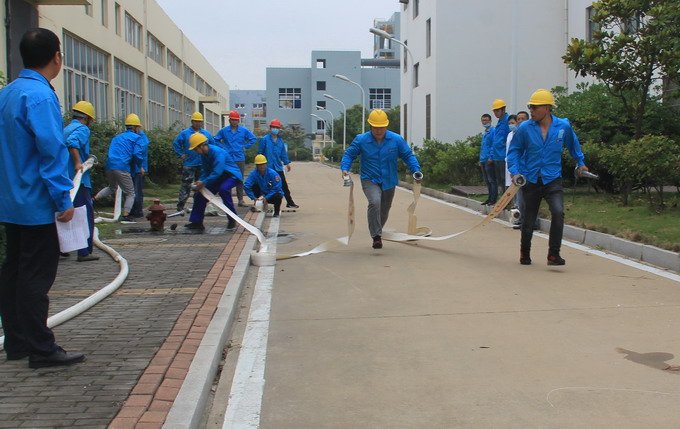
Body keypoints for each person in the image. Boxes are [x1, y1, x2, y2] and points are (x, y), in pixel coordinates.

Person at [0, 28, 85, 368]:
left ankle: (17, 343)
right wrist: (63, 200)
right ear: (57, 57)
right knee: (35, 277)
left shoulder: (7, 93)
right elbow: (51, 152)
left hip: (10, 202)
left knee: (13, 272)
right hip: (36, 204)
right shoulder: (40, 96)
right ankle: (42, 349)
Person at [507, 89, 589, 266]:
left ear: (547, 107)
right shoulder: (525, 128)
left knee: (558, 212)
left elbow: (573, 144)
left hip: (553, 179)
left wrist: (580, 162)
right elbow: (514, 151)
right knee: (529, 219)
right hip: (531, 179)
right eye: (530, 107)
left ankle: (553, 254)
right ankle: (525, 252)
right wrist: (515, 171)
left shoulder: (562, 126)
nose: (531, 110)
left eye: (535, 107)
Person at [341, 109, 422, 249]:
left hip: (389, 180)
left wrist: (416, 170)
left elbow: (408, 155)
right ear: (370, 126)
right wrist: (345, 168)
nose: (379, 131)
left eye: (382, 127)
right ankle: (376, 236)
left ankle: (377, 229)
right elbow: (349, 154)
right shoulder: (361, 140)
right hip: (369, 179)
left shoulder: (396, 139)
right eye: (375, 127)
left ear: (386, 126)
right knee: (374, 202)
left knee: (384, 209)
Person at [184, 133, 242, 231]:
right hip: (217, 177)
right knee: (199, 195)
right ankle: (197, 222)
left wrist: (203, 182)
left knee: (223, 190)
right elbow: (205, 171)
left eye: (195, 149)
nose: (195, 151)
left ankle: (232, 218)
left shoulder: (218, 152)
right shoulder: (203, 155)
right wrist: (200, 181)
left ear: (202, 146)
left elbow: (217, 171)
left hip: (231, 175)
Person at [64, 101, 98, 261]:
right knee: (84, 215)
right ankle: (84, 252)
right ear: (87, 118)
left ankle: (63, 248)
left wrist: (88, 160)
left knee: (64, 213)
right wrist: (78, 163)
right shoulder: (83, 129)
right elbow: (73, 144)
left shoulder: (66, 129)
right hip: (79, 181)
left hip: (64, 178)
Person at [94, 113, 144, 222]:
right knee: (130, 193)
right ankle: (125, 216)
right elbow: (137, 154)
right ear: (135, 128)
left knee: (112, 187)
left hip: (110, 165)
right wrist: (140, 166)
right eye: (138, 127)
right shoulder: (137, 138)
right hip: (122, 167)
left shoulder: (116, 138)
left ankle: (93, 200)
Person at [173, 112, 215, 213]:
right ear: (192, 122)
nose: (197, 123)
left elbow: (213, 145)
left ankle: (199, 204)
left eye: (199, 121)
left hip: (202, 164)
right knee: (186, 185)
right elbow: (176, 143)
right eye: (195, 121)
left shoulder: (206, 134)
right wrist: (180, 154)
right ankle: (181, 204)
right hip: (189, 163)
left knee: (201, 185)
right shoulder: (185, 133)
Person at [214, 110, 257, 207]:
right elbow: (216, 139)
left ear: (238, 121)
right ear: (229, 120)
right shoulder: (224, 131)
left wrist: (245, 147)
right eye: (233, 120)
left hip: (239, 157)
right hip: (228, 158)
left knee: (239, 178)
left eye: (236, 120)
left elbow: (253, 139)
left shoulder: (243, 131)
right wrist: (222, 148)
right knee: (227, 178)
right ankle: (227, 199)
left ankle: (240, 199)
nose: (234, 122)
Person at [258, 119, 299, 209]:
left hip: (277, 167)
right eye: (273, 127)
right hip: (267, 167)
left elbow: (283, 154)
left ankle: (290, 202)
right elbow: (260, 153)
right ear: (270, 128)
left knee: (283, 185)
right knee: (265, 185)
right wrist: (259, 165)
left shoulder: (280, 141)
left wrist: (287, 163)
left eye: (277, 127)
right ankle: (262, 202)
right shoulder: (265, 139)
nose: (275, 129)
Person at [491, 99, 510, 197]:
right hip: (497, 156)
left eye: (497, 110)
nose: (496, 113)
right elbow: (496, 141)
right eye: (494, 111)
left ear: (503, 110)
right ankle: (504, 199)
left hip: (503, 156)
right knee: (500, 180)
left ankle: (508, 200)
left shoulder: (507, 121)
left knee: (505, 180)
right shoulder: (499, 122)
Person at [129, 129, 150, 218]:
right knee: (133, 191)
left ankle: (137, 211)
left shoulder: (141, 137)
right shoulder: (137, 137)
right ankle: (133, 210)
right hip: (133, 168)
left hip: (137, 169)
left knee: (136, 191)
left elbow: (139, 152)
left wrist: (140, 166)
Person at [479, 114, 496, 205]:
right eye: (483, 120)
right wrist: (480, 159)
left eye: (486, 120)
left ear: (490, 121)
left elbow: (493, 145)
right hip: (483, 159)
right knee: (487, 180)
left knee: (492, 180)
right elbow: (483, 147)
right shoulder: (485, 132)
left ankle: (493, 199)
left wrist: (491, 157)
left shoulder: (493, 131)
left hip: (489, 159)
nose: (484, 122)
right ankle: (489, 198)